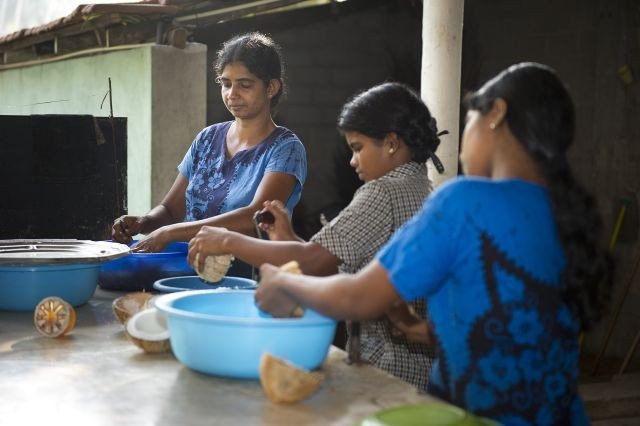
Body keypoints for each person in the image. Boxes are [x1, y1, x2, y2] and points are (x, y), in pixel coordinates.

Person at [255, 63, 612, 425]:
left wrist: (284, 281)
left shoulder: (464, 200)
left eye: (469, 117)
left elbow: (358, 298)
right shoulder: (568, 214)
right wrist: (421, 331)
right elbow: (514, 335)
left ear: (496, 114)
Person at [188, 82, 446, 390]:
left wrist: (228, 240)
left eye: (358, 148)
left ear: (391, 143)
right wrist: (288, 239)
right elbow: (332, 264)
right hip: (421, 373)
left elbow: (313, 261)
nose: (352, 162)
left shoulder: (383, 192)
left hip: (385, 371)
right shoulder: (422, 188)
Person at [111, 32, 307, 278]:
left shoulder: (285, 148)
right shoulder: (206, 139)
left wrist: (171, 233)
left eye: (244, 85)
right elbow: (171, 210)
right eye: (226, 84)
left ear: (271, 87)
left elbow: (256, 217)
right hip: (190, 273)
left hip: (251, 280)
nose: (232, 94)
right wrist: (144, 222)